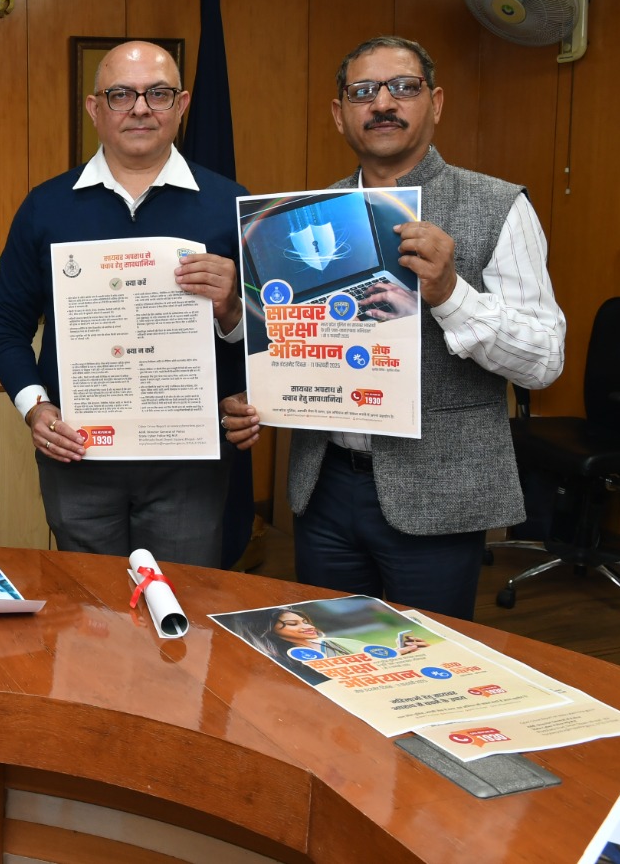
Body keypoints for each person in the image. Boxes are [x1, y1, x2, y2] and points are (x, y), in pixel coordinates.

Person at [222, 35, 566, 620]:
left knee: (424, 656)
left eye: (403, 87)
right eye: (363, 92)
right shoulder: (300, 213)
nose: (383, 103)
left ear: (436, 103)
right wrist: (258, 393)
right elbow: (290, 338)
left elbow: (544, 362)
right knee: (330, 653)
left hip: (440, 491)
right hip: (324, 487)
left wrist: (451, 293)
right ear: (340, 115)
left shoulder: (498, 205)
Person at [0, 40, 248, 566]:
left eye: (159, 94)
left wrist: (233, 310)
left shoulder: (230, 204)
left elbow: (268, 333)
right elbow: (6, 325)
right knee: (90, 607)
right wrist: (35, 406)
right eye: (121, 94)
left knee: (184, 606)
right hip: (80, 455)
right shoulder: (46, 207)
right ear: (94, 107)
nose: (141, 108)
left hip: (189, 464)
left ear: (183, 104)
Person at [239, 606, 428, 685]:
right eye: (293, 624)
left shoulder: (335, 643)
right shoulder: (277, 661)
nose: (307, 626)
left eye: (305, 621)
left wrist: (401, 652)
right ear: (269, 630)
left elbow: (376, 659)